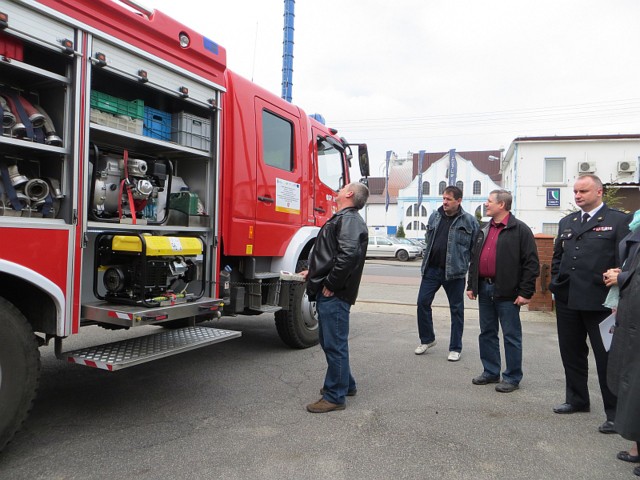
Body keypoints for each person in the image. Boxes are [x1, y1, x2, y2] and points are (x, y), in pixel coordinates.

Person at [549, 174, 631, 433]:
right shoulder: (567, 222)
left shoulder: (618, 220)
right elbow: (558, 257)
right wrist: (555, 283)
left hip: (601, 302)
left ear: (599, 192)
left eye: (583, 191)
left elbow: (629, 258)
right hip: (568, 299)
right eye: (575, 191)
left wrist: (621, 282)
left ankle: (615, 413)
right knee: (571, 353)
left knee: (607, 358)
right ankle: (577, 399)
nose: (577, 195)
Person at [301, 181, 369, 413]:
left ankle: (335, 396)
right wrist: (313, 272)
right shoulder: (345, 219)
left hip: (335, 293)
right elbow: (333, 255)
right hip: (333, 290)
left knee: (334, 344)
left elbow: (348, 255)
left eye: (343, 188)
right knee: (333, 341)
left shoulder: (348, 220)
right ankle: (345, 384)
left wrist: (331, 283)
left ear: (349, 194)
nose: (338, 191)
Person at [466, 189, 539, 393]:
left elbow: (531, 264)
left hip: (508, 292)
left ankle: (512, 377)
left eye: (489, 201)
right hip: (485, 287)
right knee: (487, 332)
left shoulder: (520, 230)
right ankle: (490, 372)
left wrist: (525, 292)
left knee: (511, 335)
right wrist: (471, 285)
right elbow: (475, 258)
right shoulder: (484, 229)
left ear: (502, 205)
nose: (486, 204)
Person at [414, 185, 478, 361]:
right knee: (422, 303)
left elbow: (475, 252)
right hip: (432, 269)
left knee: (456, 310)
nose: (445, 202)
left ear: (458, 201)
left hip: (455, 273)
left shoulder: (469, 221)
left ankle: (455, 347)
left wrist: (472, 280)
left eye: (449, 199)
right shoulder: (435, 216)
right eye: (443, 198)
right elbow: (429, 240)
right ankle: (427, 339)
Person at [604, 209, 640, 473]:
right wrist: (623, 272)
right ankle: (637, 447)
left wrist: (622, 277)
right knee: (632, 382)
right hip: (630, 319)